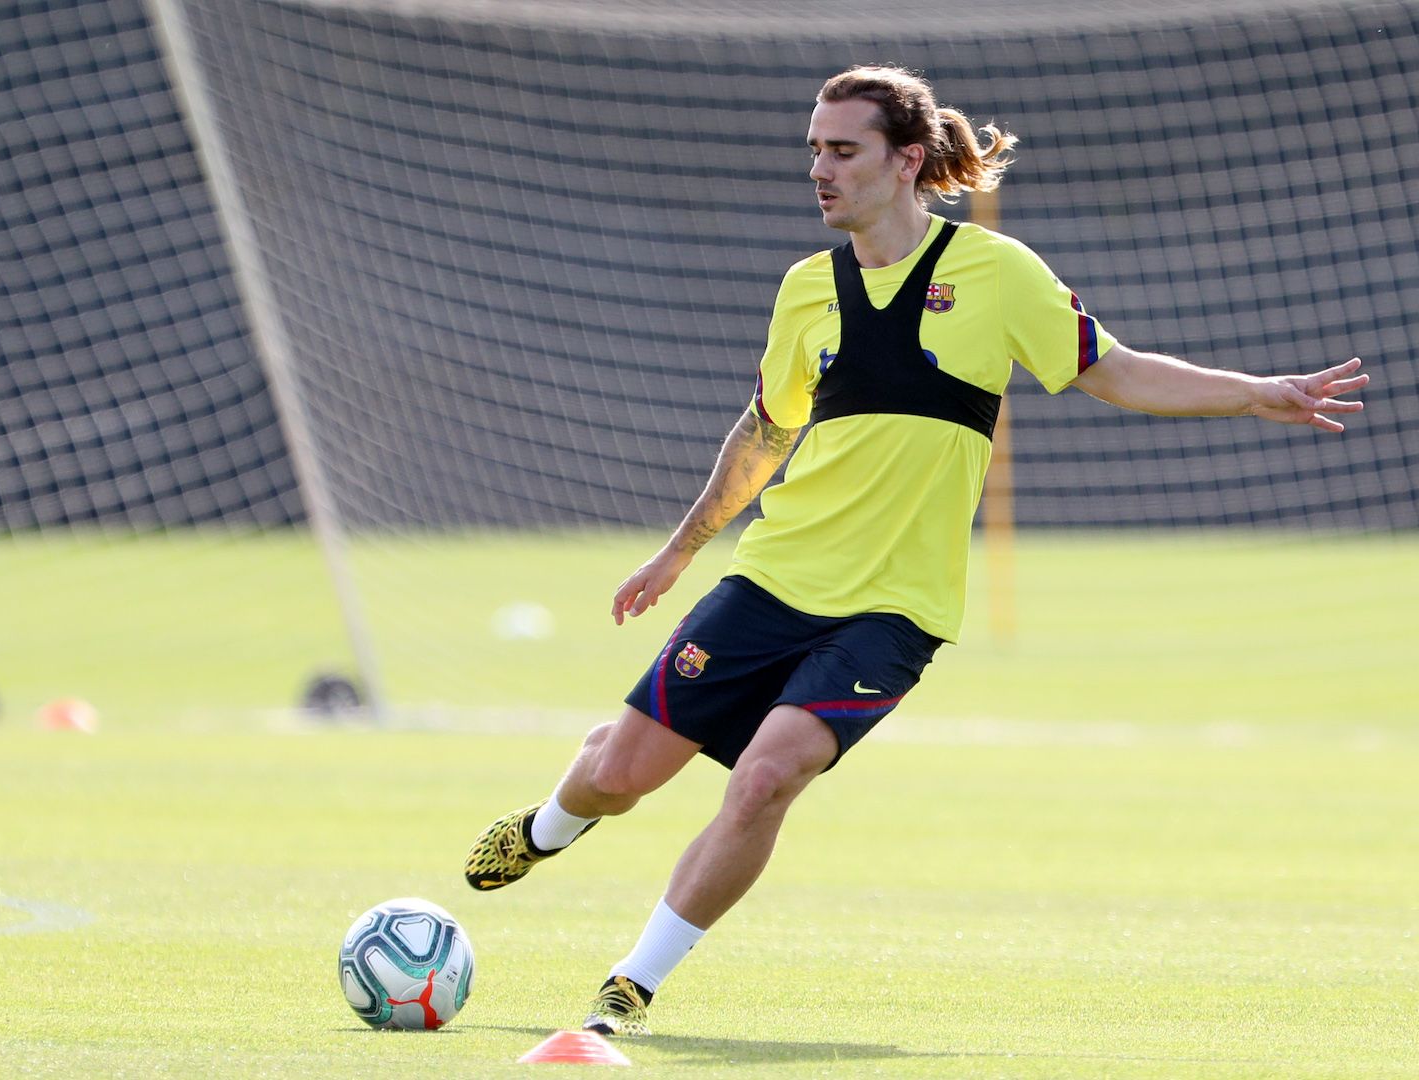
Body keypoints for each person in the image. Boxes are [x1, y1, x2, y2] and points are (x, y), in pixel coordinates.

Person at [464, 65, 1369, 1037]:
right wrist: (680, 554)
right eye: (814, 148)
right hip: (773, 583)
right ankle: (549, 828)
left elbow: (1114, 369)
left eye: (842, 150)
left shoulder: (997, 273)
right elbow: (764, 435)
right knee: (623, 776)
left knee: (769, 774)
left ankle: (632, 985)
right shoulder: (806, 292)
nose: (820, 168)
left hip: (895, 613)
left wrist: (1255, 391)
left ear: (906, 163)